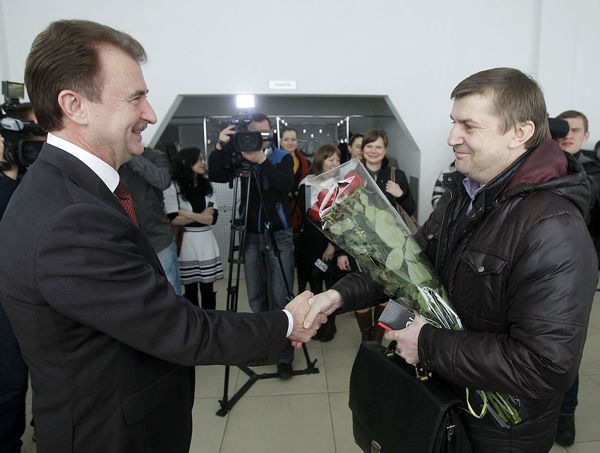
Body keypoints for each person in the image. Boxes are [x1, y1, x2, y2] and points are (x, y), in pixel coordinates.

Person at [0, 19, 324, 453]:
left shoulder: (61, 189)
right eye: (136, 98)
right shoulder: (70, 217)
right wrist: (286, 321)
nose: (150, 114)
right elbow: (179, 329)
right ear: (74, 105)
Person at [304, 67, 597, 452]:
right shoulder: (463, 194)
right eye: (453, 122)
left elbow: (546, 366)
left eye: (468, 126)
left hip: (497, 434)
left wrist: (426, 343)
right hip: (443, 405)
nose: (451, 137)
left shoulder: (554, 227)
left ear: (520, 133)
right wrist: (336, 296)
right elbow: (404, 265)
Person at [208, 113, 297, 379]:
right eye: (253, 134)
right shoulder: (239, 155)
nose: (258, 139)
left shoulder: (282, 157)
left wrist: (262, 161)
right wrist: (220, 146)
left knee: (281, 297)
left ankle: (284, 355)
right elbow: (217, 175)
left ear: (271, 134)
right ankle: (266, 347)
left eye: (263, 134)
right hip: (250, 234)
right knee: (257, 296)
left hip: (279, 234)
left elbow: (286, 185)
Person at [552, 109, 600, 446]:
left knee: (568, 347)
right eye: (563, 129)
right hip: (541, 268)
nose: (568, 135)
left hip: (578, 273)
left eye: (576, 130)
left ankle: (566, 413)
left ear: (586, 136)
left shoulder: (592, 174)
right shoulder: (540, 167)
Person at [357, 127, 416, 344]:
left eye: (378, 147)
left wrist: (400, 194)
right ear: (363, 149)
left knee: (389, 292)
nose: (373, 151)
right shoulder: (353, 174)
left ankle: (377, 336)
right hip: (360, 245)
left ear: (386, 149)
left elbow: (411, 209)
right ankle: (365, 336)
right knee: (363, 293)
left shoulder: (396, 175)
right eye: (369, 146)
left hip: (392, 247)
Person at [164, 147, 223, 309]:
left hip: (206, 241)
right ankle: (193, 321)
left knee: (208, 289)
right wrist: (200, 215)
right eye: (199, 159)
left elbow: (212, 219)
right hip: (186, 242)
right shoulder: (173, 187)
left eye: (203, 159)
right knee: (190, 290)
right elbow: (173, 219)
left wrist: (186, 213)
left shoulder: (207, 185)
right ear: (186, 162)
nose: (203, 162)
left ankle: (210, 320)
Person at [118, 147, 182, 295]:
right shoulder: (110, 158)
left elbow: (163, 181)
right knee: (136, 293)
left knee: (169, 291)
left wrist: (132, 155)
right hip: (125, 241)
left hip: (158, 239)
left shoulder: (154, 156)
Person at [297, 144, 341, 342]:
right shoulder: (307, 183)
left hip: (333, 240)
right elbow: (306, 215)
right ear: (320, 161)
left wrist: (332, 244)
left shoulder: (341, 184)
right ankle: (316, 323)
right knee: (314, 284)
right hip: (311, 241)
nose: (335, 163)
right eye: (331, 159)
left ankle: (330, 324)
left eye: (338, 160)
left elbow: (342, 217)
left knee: (332, 286)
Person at [280, 127, 310, 237]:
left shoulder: (306, 163)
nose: (290, 143)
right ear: (281, 142)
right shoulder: (273, 161)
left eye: (293, 139)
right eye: (286, 139)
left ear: (297, 142)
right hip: (280, 206)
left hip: (299, 206)